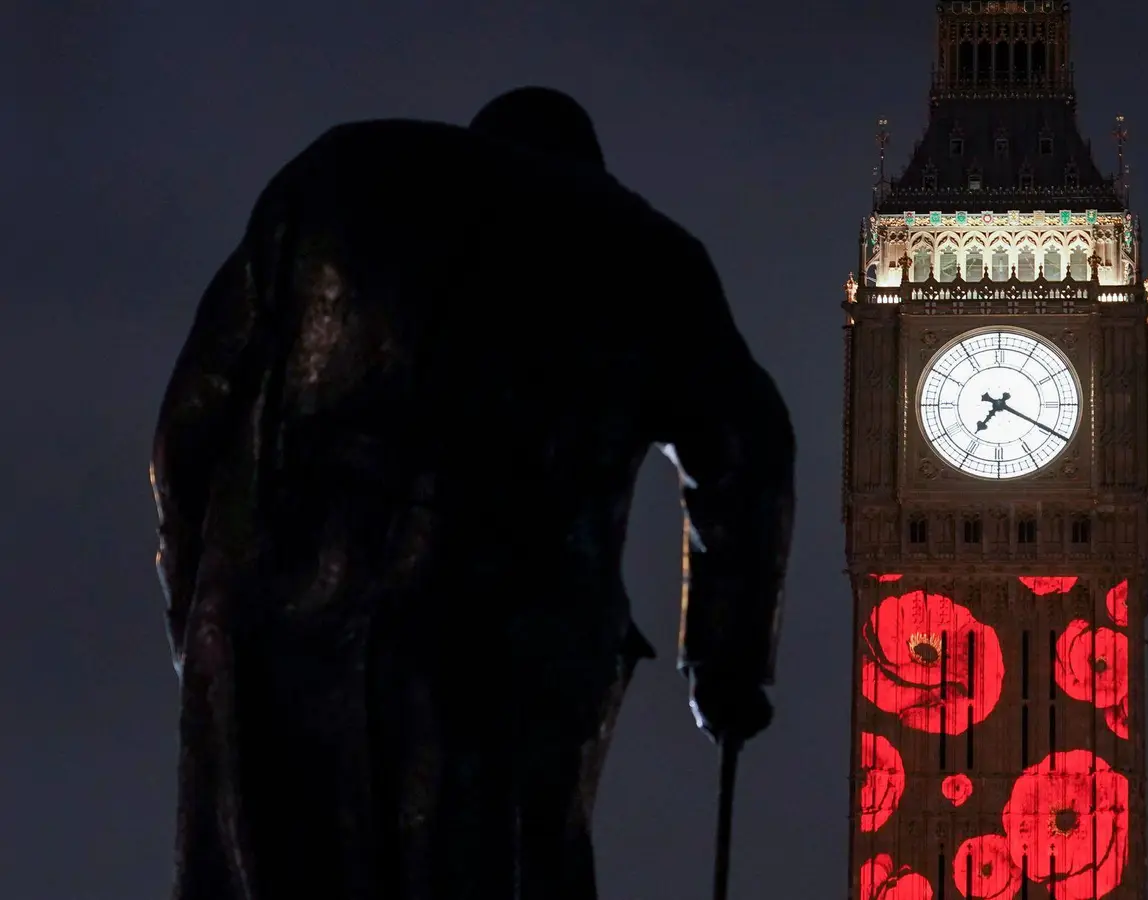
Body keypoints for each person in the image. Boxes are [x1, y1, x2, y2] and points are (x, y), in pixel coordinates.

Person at [149, 86, 794, 900]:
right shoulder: (648, 255)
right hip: (498, 645)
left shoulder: (333, 175)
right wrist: (726, 666)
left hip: (276, 627)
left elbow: (189, 419)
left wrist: (197, 610)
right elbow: (747, 450)